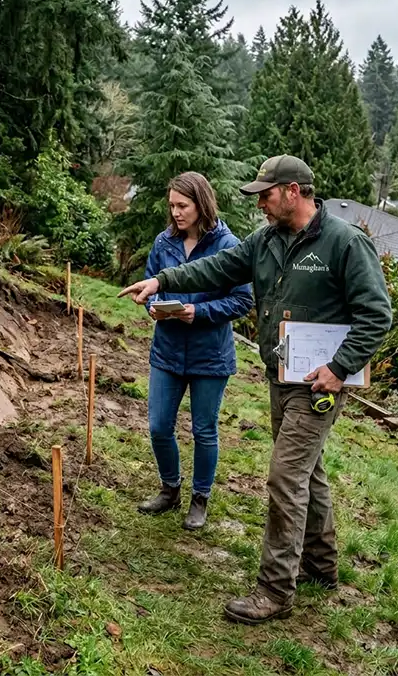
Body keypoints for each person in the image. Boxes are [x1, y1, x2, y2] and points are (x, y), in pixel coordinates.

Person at [119, 155, 392, 625]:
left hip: (320, 383)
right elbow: (216, 269)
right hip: (280, 376)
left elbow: (376, 315)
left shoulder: (345, 243)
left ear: (292, 191)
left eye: (265, 194)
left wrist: (340, 367)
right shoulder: (264, 242)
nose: (260, 203)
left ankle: (275, 590)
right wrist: (162, 279)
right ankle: (321, 566)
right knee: (310, 471)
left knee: (286, 478)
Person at [139, 172, 253, 531]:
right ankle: (169, 488)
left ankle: (199, 499)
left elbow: (242, 300)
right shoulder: (163, 242)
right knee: (159, 426)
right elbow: (151, 283)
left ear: (201, 204)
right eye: (171, 205)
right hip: (167, 351)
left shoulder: (229, 246)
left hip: (210, 356)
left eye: (182, 205)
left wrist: (198, 312)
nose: (175, 212)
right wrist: (154, 306)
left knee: (204, 430)